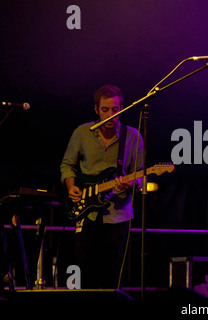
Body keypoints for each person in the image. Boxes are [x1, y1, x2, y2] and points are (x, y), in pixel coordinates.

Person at [60, 84, 144, 289]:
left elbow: (141, 175)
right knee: (83, 269)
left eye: (115, 110)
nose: (110, 114)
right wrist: (71, 186)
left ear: (122, 109)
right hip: (85, 212)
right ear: (96, 109)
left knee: (111, 273)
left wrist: (129, 183)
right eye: (105, 109)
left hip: (118, 215)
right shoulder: (82, 132)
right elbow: (67, 165)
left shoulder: (132, 137)